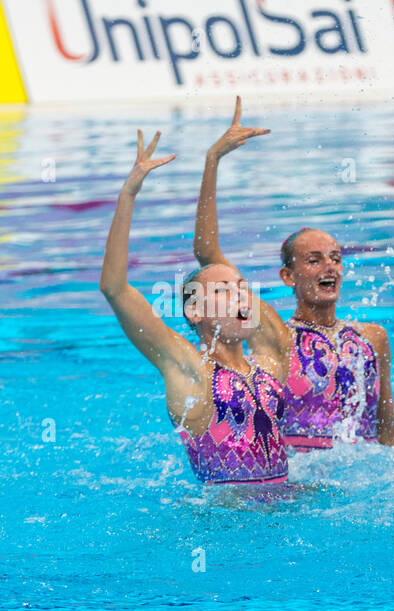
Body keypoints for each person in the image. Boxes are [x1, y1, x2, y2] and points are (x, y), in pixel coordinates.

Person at [194, 97, 394, 450]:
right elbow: (207, 252)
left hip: (366, 477)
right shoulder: (277, 336)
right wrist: (212, 161)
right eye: (314, 260)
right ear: (288, 276)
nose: (329, 267)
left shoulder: (373, 338)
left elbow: (387, 430)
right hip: (301, 483)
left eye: (335, 258)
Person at [100, 131, 289, 485]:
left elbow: (208, 247)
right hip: (226, 524)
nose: (240, 296)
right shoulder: (189, 370)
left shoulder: (269, 360)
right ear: (195, 312)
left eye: (243, 288)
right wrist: (128, 194)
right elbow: (114, 288)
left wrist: (213, 160)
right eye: (222, 290)